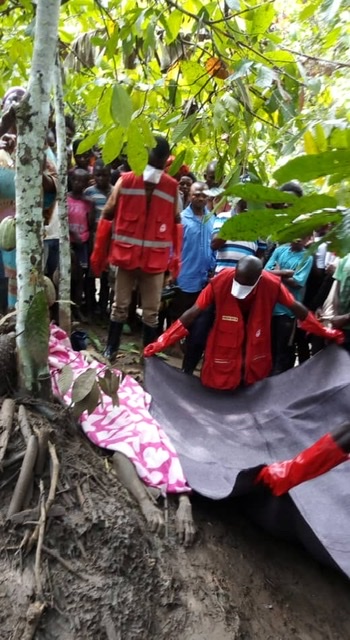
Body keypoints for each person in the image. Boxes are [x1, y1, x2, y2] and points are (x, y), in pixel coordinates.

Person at [144, 256, 343, 390]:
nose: (240, 287)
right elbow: (193, 313)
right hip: (221, 359)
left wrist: (325, 332)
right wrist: (162, 341)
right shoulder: (221, 281)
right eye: (238, 281)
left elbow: (297, 308)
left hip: (254, 357)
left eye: (246, 283)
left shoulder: (271, 285)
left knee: (251, 389)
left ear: (258, 277)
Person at [90, 135, 182, 358]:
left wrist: (174, 262)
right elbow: (107, 216)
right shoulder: (126, 181)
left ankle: (148, 355)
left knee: (151, 313)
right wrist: (99, 256)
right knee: (119, 306)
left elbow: (176, 226)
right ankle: (111, 348)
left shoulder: (171, 188)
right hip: (126, 257)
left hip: (155, 262)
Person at [265, 238, 313, 375]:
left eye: (302, 236)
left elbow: (297, 282)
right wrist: (287, 272)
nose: (297, 239)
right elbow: (265, 272)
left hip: (288, 311)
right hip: (271, 307)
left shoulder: (307, 257)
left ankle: (278, 384)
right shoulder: (280, 250)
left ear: (307, 238)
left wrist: (278, 272)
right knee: (269, 347)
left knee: (283, 351)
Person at [172, 181, 216, 320]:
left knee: (199, 319)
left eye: (204, 195)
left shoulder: (212, 219)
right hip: (185, 277)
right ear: (190, 196)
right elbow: (173, 248)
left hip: (205, 279)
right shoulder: (182, 219)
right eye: (197, 195)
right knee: (179, 315)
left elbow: (214, 247)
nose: (201, 198)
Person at [84, 159, 113, 317]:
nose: (102, 179)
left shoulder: (115, 191)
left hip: (110, 239)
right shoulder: (89, 192)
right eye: (98, 175)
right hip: (93, 238)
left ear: (110, 175)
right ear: (94, 175)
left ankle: (103, 308)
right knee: (91, 273)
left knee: (106, 276)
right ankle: (90, 307)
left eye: (105, 175)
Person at [67, 168, 95, 318]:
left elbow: (90, 225)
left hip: (82, 244)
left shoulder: (88, 202)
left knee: (79, 278)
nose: (78, 183)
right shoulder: (65, 199)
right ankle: (66, 307)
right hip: (68, 243)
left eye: (81, 181)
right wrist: (72, 234)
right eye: (75, 180)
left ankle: (77, 308)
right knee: (67, 277)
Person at [211, 198, 267, 272]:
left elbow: (261, 253)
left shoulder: (260, 224)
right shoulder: (223, 217)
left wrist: (255, 271)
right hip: (223, 273)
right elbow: (214, 245)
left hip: (246, 278)